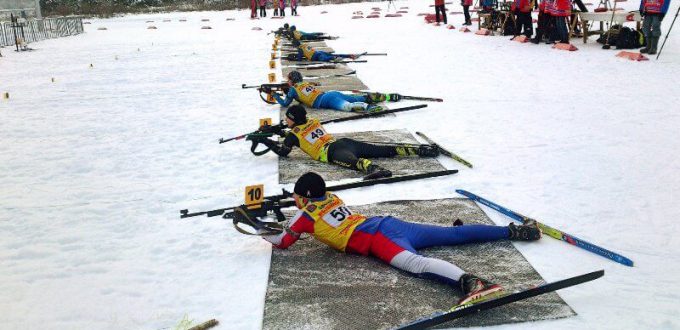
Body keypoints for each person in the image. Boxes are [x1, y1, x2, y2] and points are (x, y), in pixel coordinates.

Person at [252, 172, 542, 304]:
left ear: (303, 197)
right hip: (388, 224)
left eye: (296, 196)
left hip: (375, 240)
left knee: (416, 263)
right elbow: (313, 211)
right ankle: (518, 231)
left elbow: (284, 242)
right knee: (454, 234)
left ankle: (474, 283)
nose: (294, 199)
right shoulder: (331, 196)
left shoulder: (303, 217)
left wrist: (253, 225)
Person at [251, 105, 440, 179]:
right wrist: (275, 130)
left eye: (288, 118)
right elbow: (294, 129)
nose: (286, 121)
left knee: (356, 163)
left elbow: (284, 151)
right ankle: (421, 150)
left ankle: (375, 170)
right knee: (382, 149)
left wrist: (266, 140)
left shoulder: (293, 135)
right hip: (344, 142)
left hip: (331, 153)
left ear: (292, 119)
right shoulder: (312, 121)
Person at [271, 71, 403, 112]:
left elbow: (285, 104)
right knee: (359, 98)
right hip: (330, 94)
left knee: (347, 107)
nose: (287, 82)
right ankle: (385, 96)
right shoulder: (305, 83)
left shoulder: (293, 89)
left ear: (292, 81)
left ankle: (369, 108)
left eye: (288, 80)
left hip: (326, 100)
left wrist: (274, 95)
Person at [287, 39, 357, 62]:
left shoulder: (300, 49)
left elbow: (300, 58)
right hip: (318, 52)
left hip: (316, 56)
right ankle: (349, 55)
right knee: (333, 54)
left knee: (325, 59)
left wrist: (295, 59)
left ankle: (334, 58)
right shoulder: (304, 45)